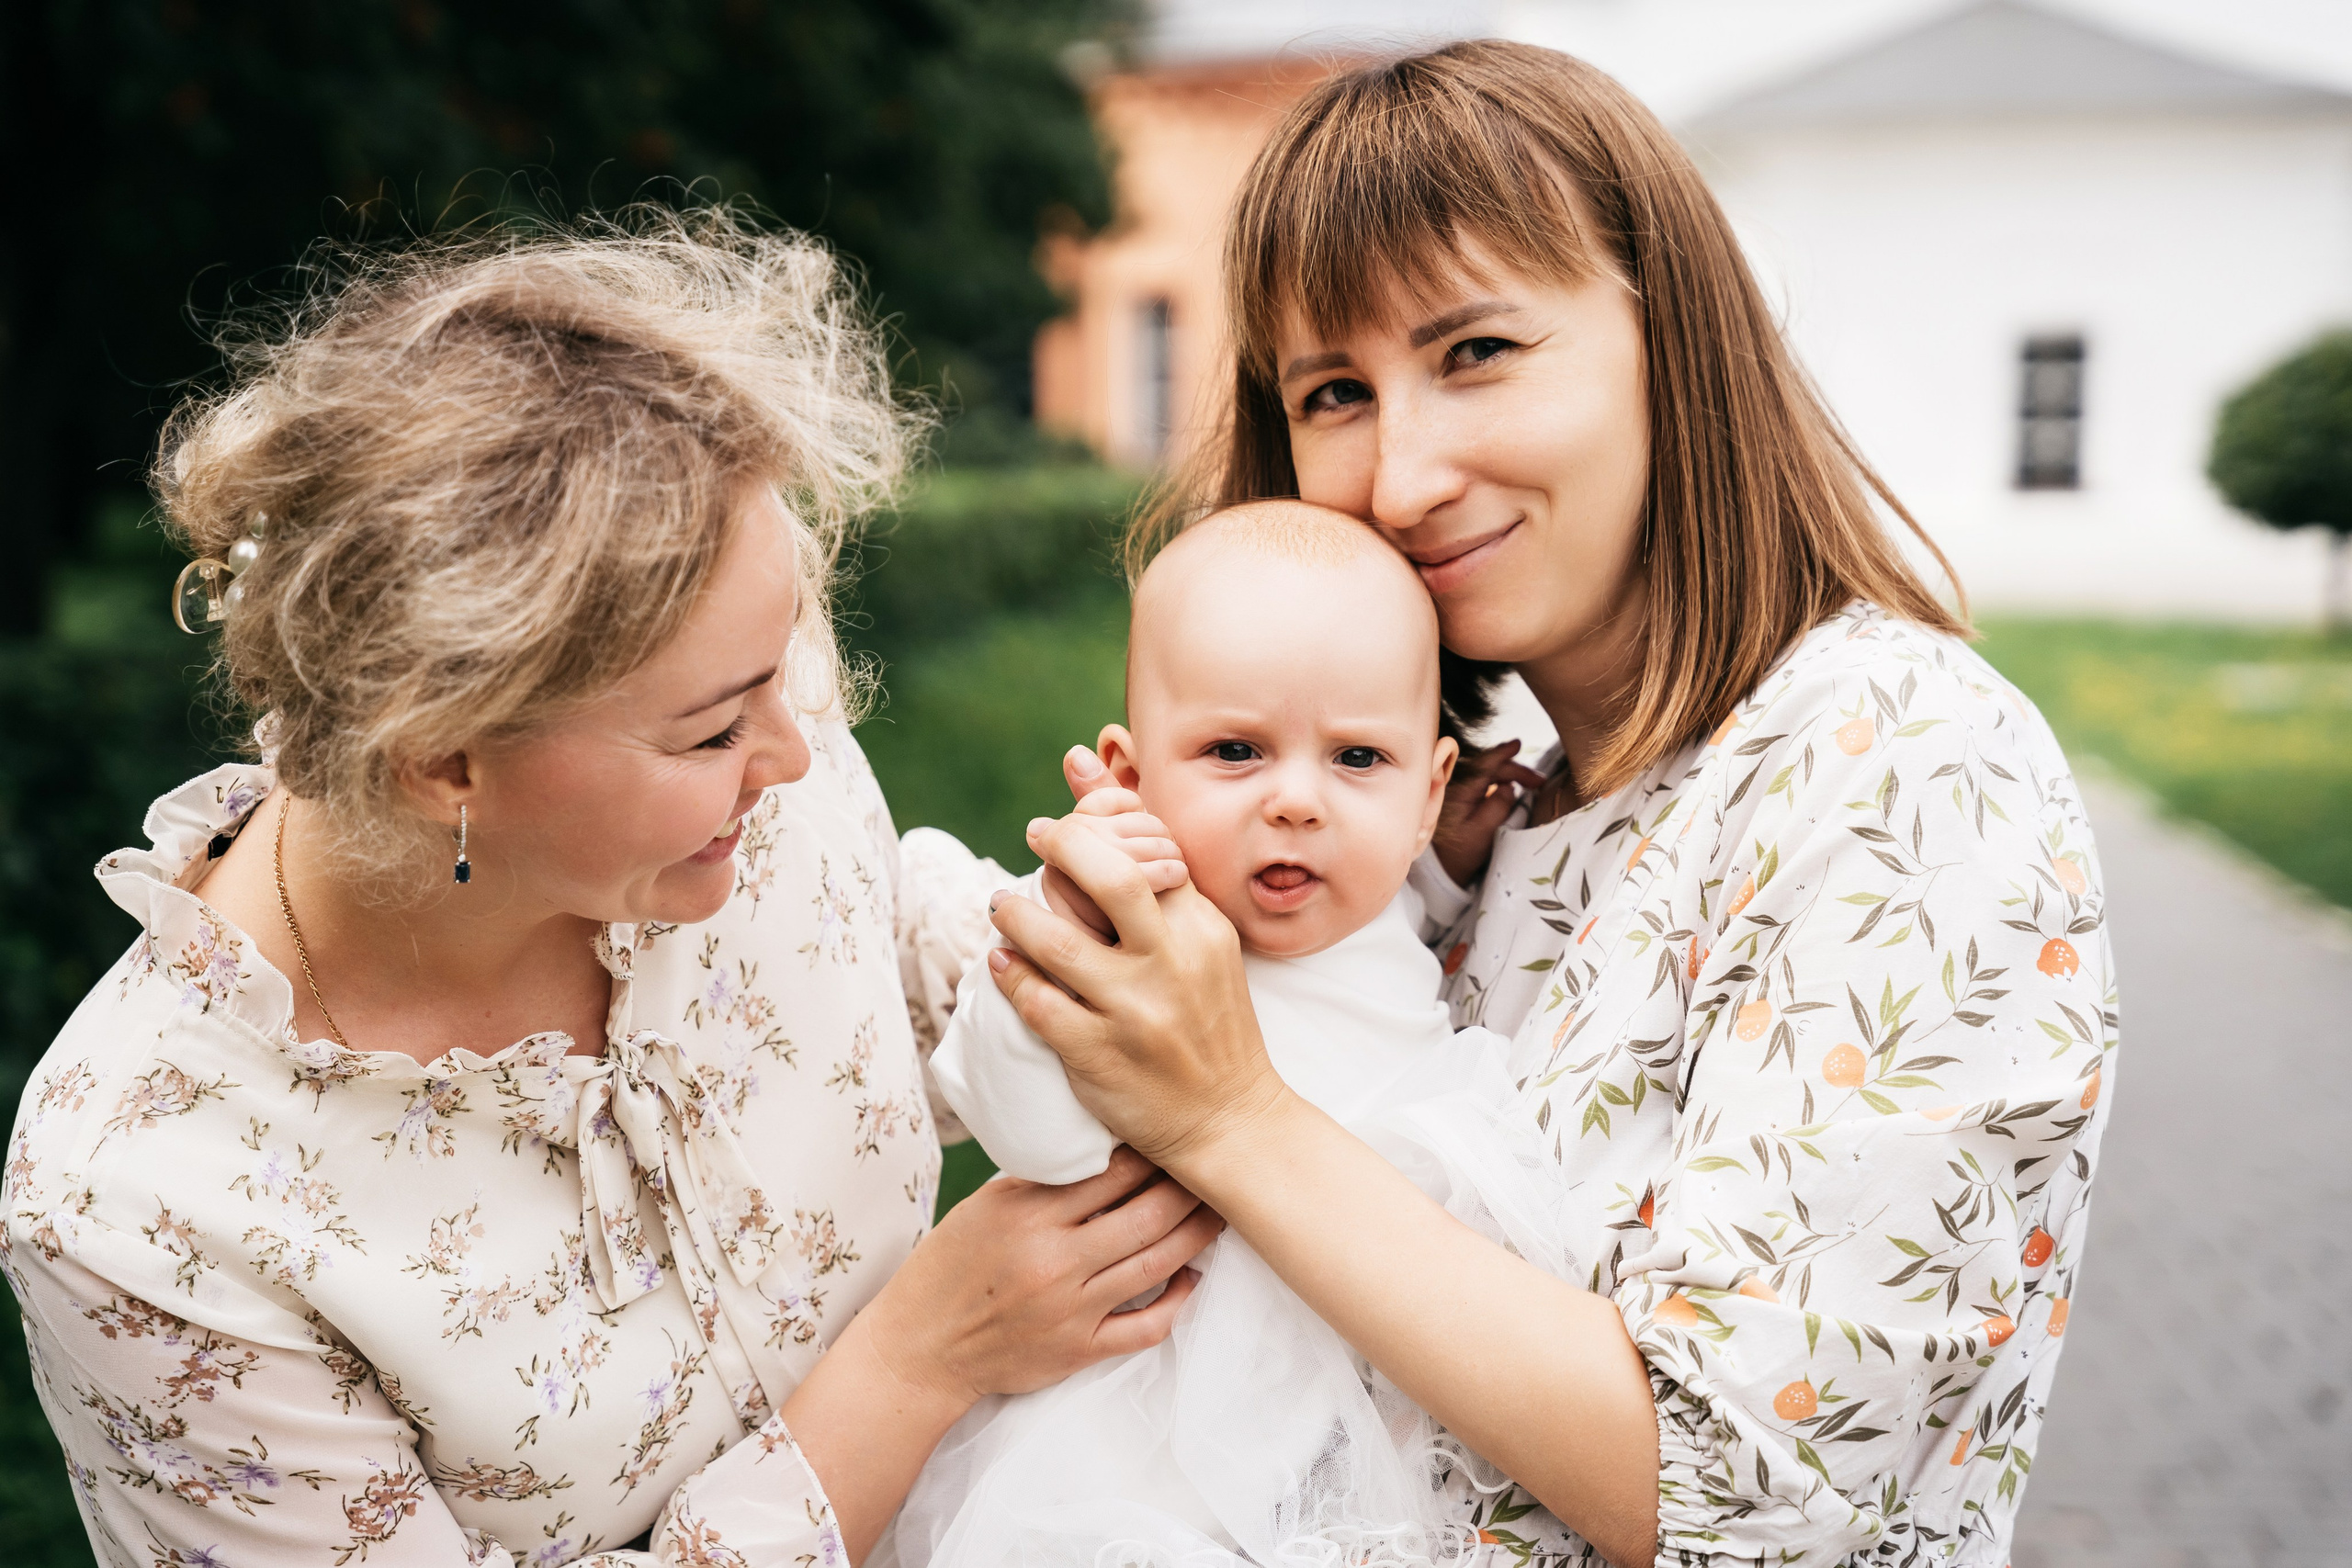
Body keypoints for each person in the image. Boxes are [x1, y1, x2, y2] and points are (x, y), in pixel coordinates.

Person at [986, 41, 2117, 1568]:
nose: (1400, 477)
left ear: (1675, 337)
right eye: (1335, 390)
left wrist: (1226, 1106)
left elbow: (1744, 1502)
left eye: (1475, 353)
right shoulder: (1475, 827)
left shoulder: (1900, 756)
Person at [0, 209, 1220, 1568]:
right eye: (711, 728)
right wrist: (927, 1355)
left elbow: (889, 947)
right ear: (440, 755)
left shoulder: (749, 748)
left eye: (784, 668)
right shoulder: (147, 1203)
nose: (798, 750)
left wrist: (1090, 949)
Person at [903, 499, 1551, 1568]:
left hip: (1355, 1386)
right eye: (1236, 750)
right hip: (1149, 1419)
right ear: (1125, 776)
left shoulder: (1384, 891)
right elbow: (1023, 1135)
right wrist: (1059, 929)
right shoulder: (1118, 922)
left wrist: (1444, 859)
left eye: (1357, 760)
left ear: (1428, 788)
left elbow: (1389, 928)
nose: (1297, 801)